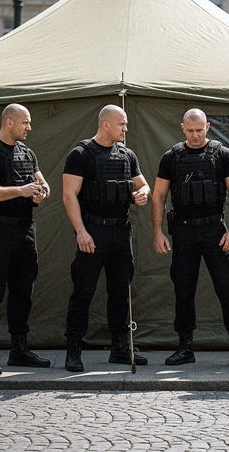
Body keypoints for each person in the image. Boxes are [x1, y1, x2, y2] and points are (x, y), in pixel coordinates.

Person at [151, 109, 229, 369]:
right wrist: (158, 231)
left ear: (207, 127)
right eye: (190, 130)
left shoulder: (223, 154)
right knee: (183, 289)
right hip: (183, 231)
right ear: (182, 128)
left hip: (215, 230)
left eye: (199, 130)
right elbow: (159, 195)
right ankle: (185, 347)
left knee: (227, 287)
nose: (195, 135)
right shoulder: (172, 157)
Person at [61, 104, 151, 372]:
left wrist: (143, 194)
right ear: (105, 124)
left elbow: (144, 184)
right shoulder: (80, 154)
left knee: (121, 292)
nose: (125, 129)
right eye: (122, 124)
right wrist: (81, 231)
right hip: (93, 231)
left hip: (121, 232)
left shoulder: (127, 154)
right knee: (83, 292)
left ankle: (120, 348)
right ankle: (73, 350)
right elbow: (68, 195)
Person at [0, 104, 51, 375]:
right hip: (0, 230)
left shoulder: (27, 153)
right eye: (25, 123)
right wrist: (21, 191)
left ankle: (19, 350)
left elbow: (43, 183)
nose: (29, 128)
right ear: (9, 122)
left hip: (26, 230)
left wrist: (41, 192)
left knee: (23, 291)